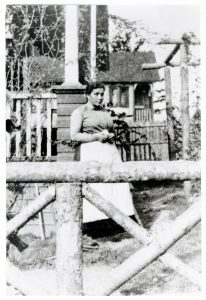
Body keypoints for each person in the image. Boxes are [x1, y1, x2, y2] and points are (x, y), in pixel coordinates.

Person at [70, 82, 135, 233]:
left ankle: (118, 223)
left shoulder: (105, 111)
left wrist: (110, 135)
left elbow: (110, 130)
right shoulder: (80, 112)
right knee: (97, 187)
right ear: (87, 95)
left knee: (116, 185)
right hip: (91, 152)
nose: (100, 97)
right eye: (96, 94)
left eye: (101, 94)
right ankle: (95, 228)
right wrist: (95, 136)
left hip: (109, 151)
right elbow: (74, 135)